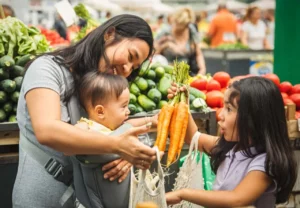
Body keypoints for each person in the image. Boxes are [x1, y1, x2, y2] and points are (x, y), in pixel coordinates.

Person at [13, 14, 157, 208]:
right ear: (109, 34)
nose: (127, 69)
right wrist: (117, 146)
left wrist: (125, 154)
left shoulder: (96, 84)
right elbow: (47, 130)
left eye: (134, 67)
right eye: (130, 57)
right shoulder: (46, 69)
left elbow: (112, 126)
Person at [165, 77, 297, 207]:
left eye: (229, 109)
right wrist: (182, 103)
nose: (220, 115)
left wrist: (182, 194)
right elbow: (193, 137)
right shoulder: (229, 148)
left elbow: (237, 199)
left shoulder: (265, 163)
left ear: (253, 119)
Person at [154, 7, 206, 76]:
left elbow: (198, 53)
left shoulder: (191, 30)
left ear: (187, 24)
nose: (178, 27)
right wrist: (166, 45)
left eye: (183, 26)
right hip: (166, 74)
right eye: (177, 23)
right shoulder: (165, 32)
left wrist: (202, 69)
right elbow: (153, 55)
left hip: (186, 75)